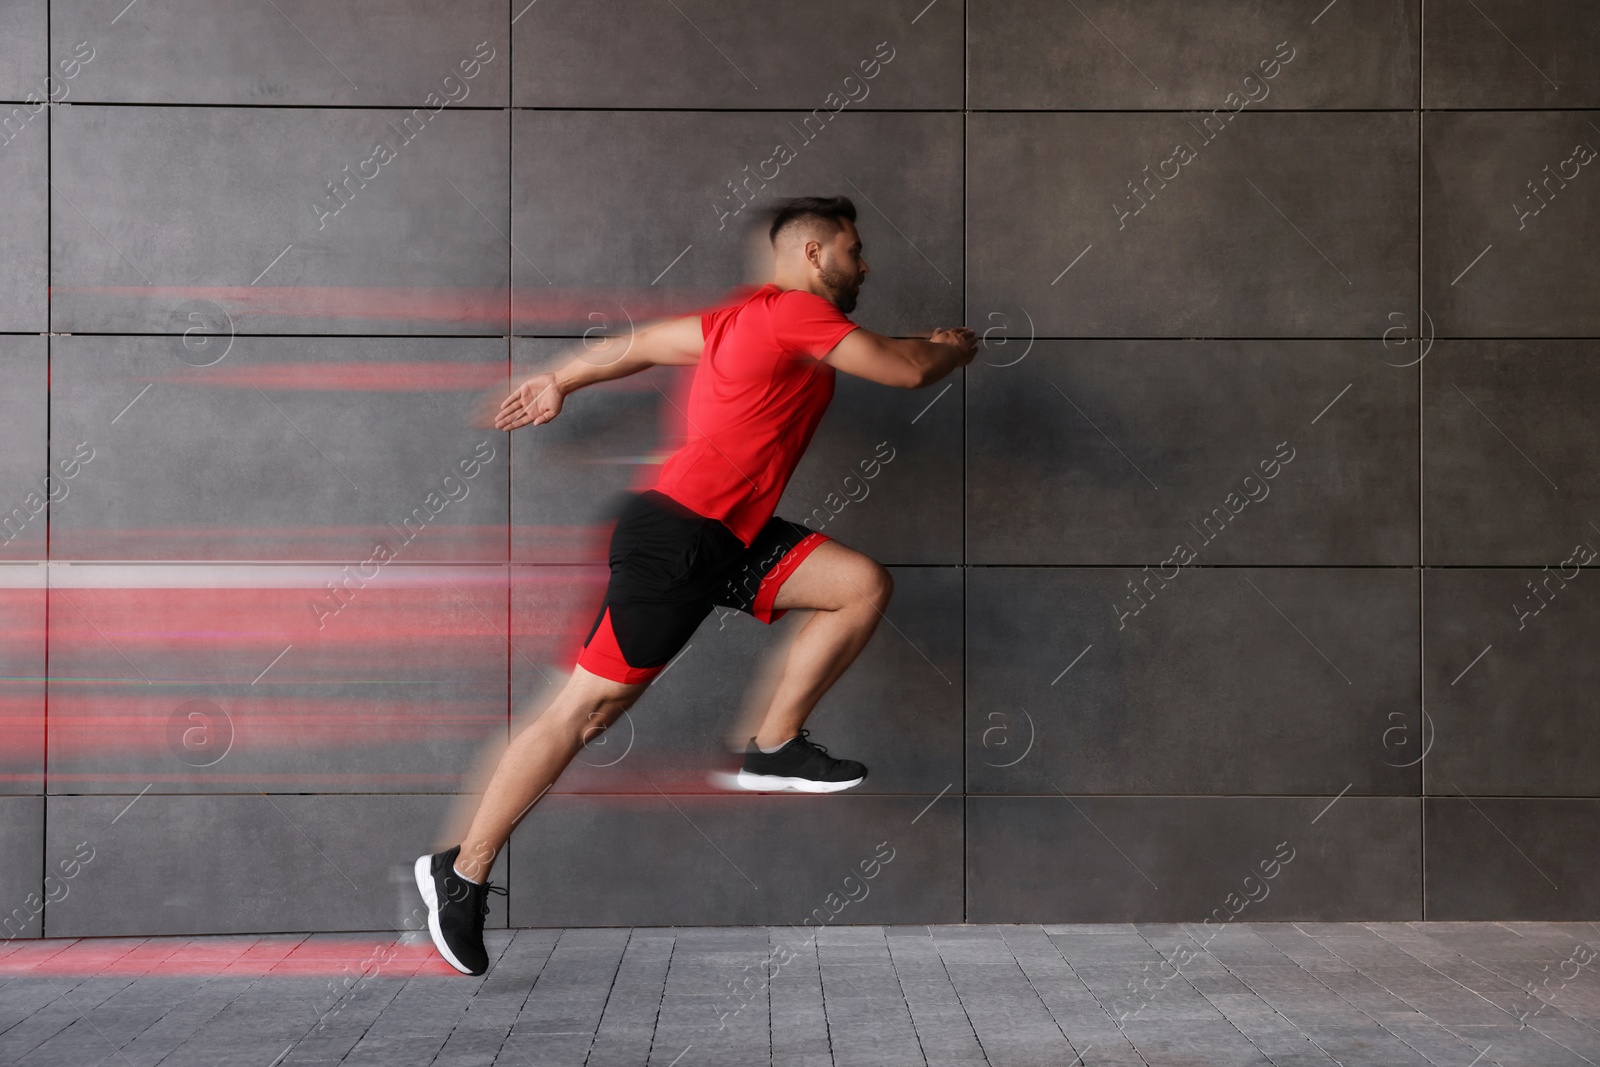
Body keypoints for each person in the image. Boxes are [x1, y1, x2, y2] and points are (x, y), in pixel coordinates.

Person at [415, 195, 976, 976]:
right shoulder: (795, 313)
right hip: (680, 537)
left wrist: (561, 380)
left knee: (858, 586)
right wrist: (951, 348)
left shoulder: (739, 319)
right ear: (814, 255)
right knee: (585, 711)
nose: (865, 263)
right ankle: (462, 871)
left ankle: (774, 746)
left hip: (729, 536)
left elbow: (641, 344)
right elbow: (908, 369)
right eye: (854, 249)